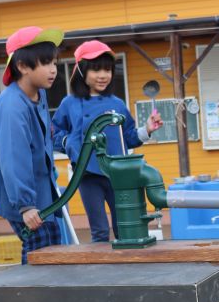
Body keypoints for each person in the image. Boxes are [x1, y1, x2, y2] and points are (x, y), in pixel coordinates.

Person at [52, 40, 163, 242]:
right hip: (86, 174)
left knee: (125, 225)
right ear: (81, 71)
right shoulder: (69, 103)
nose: (103, 75)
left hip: (119, 174)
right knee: (99, 230)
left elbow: (127, 137)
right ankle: (102, 271)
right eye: (96, 70)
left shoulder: (116, 103)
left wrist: (146, 129)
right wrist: (70, 142)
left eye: (107, 70)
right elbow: (53, 134)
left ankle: (128, 265)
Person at [0, 26, 64, 264]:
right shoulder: (12, 107)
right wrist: (26, 206)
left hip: (39, 189)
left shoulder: (38, 94)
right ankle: (32, 298)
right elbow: (13, 159)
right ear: (23, 66)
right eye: (46, 63)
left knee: (53, 242)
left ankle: (46, 296)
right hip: (18, 194)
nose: (53, 70)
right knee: (39, 248)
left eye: (54, 63)